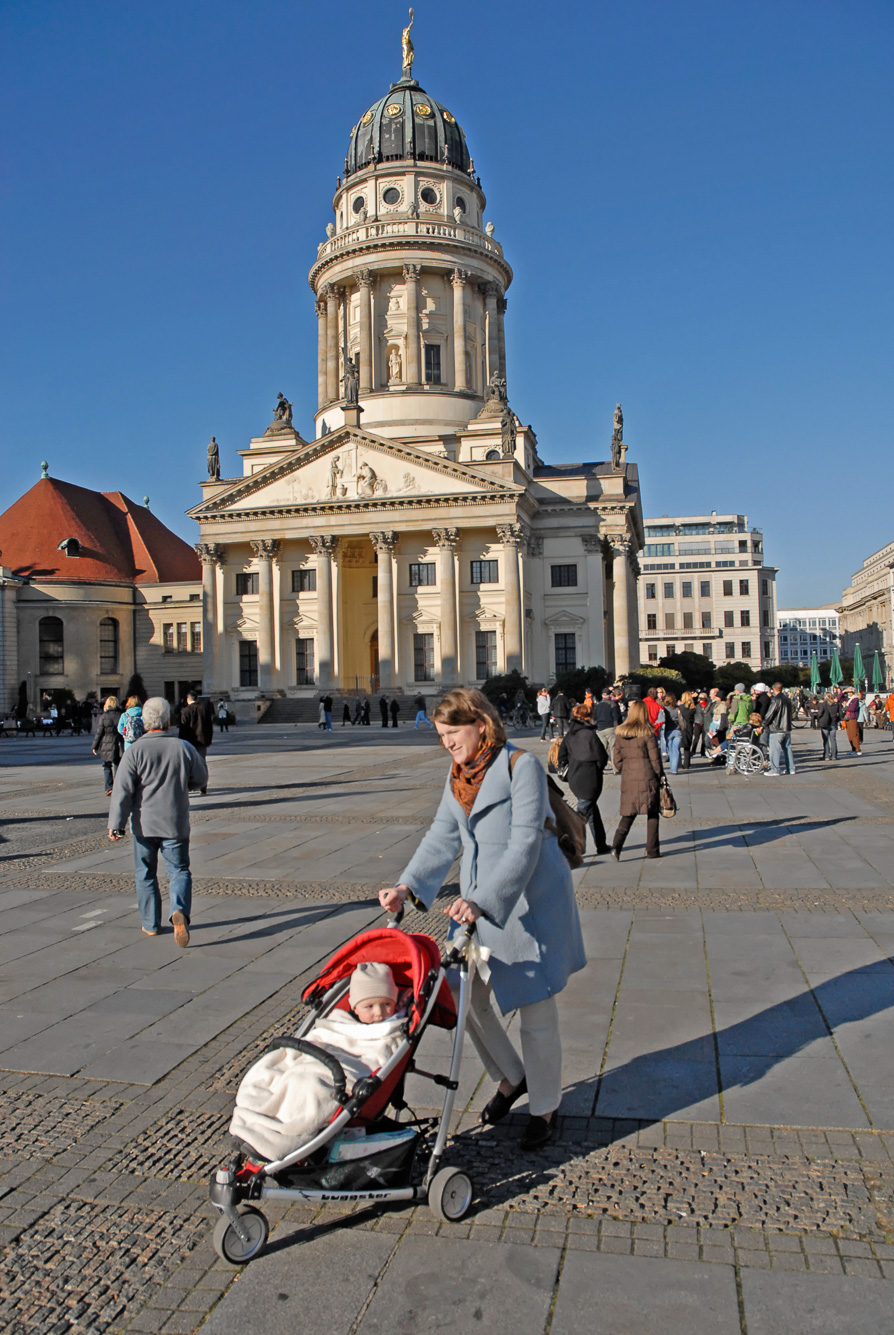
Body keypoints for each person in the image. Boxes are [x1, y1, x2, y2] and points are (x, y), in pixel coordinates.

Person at [378, 688, 586, 1151]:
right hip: (475, 906)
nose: (447, 743)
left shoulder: (520, 765)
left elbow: (526, 843)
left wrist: (485, 901)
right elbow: (442, 835)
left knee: (536, 1006)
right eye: (441, 736)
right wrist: (407, 886)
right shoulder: (458, 774)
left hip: (527, 902)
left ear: (480, 725)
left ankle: (546, 1106)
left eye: (453, 733)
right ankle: (513, 1077)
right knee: (461, 998)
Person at [108, 697, 207, 943]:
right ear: (167, 721)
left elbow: (122, 791)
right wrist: (185, 784)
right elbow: (201, 778)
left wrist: (116, 826)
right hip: (174, 822)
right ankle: (179, 910)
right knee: (179, 870)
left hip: (144, 823)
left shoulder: (135, 751)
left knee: (145, 873)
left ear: (145, 722)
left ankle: (150, 923)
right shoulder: (183, 748)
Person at [611, 701, 663, 860]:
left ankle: (616, 847)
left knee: (628, 814)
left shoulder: (620, 734)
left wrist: (624, 769)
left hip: (629, 777)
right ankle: (652, 850)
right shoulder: (647, 733)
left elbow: (616, 759)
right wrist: (660, 775)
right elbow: (655, 759)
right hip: (647, 776)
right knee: (652, 812)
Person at [558, 704, 610, 855]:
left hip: (575, 778)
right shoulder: (590, 735)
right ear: (588, 717)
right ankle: (569, 847)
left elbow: (561, 757)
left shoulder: (570, 735)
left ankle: (601, 844)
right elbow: (602, 757)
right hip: (590, 778)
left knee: (592, 810)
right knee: (580, 815)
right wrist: (597, 767)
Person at [179, 691, 213, 795]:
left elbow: (183, 728)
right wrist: (209, 740)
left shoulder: (185, 711)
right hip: (202, 741)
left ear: (188, 699)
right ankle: (203, 786)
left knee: (188, 763)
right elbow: (209, 726)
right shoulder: (204, 710)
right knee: (202, 762)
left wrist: (181, 741)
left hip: (188, 741)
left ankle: (189, 785)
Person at [762, 682, 796, 775]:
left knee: (775, 750)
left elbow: (770, 714)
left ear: (773, 689)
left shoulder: (775, 700)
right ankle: (791, 768)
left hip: (777, 728)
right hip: (787, 728)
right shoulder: (787, 699)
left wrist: (763, 724)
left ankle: (775, 769)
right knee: (787, 748)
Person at [92, 695, 122, 795]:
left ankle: (109, 787)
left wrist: (95, 746)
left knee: (106, 765)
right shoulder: (121, 714)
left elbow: (99, 732)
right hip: (118, 742)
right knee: (117, 764)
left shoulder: (104, 716)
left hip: (106, 742)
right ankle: (118, 786)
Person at [593, 689, 621, 771]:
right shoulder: (612, 704)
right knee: (613, 748)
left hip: (600, 729)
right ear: (609, 695)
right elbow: (616, 717)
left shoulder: (598, 705)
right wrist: (617, 728)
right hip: (610, 728)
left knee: (601, 749)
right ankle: (615, 768)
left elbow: (594, 718)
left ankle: (598, 768)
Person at [815, 693, 840, 760]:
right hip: (833, 723)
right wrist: (837, 720)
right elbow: (840, 714)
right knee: (833, 740)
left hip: (825, 724)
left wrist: (819, 719)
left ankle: (826, 755)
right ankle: (834, 755)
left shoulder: (823, 704)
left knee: (826, 740)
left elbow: (819, 714)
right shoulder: (836, 704)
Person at [663, 693, 683, 774]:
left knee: (671, 751)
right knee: (676, 750)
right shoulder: (678, 708)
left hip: (668, 731)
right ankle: (674, 769)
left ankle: (672, 768)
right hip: (678, 731)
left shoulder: (665, 709)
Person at [677, 691, 696, 771]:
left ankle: (679, 764)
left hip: (681, 727)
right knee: (687, 747)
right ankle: (687, 764)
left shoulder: (680, 707)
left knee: (678, 747)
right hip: (689, 727)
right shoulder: (693, 708)